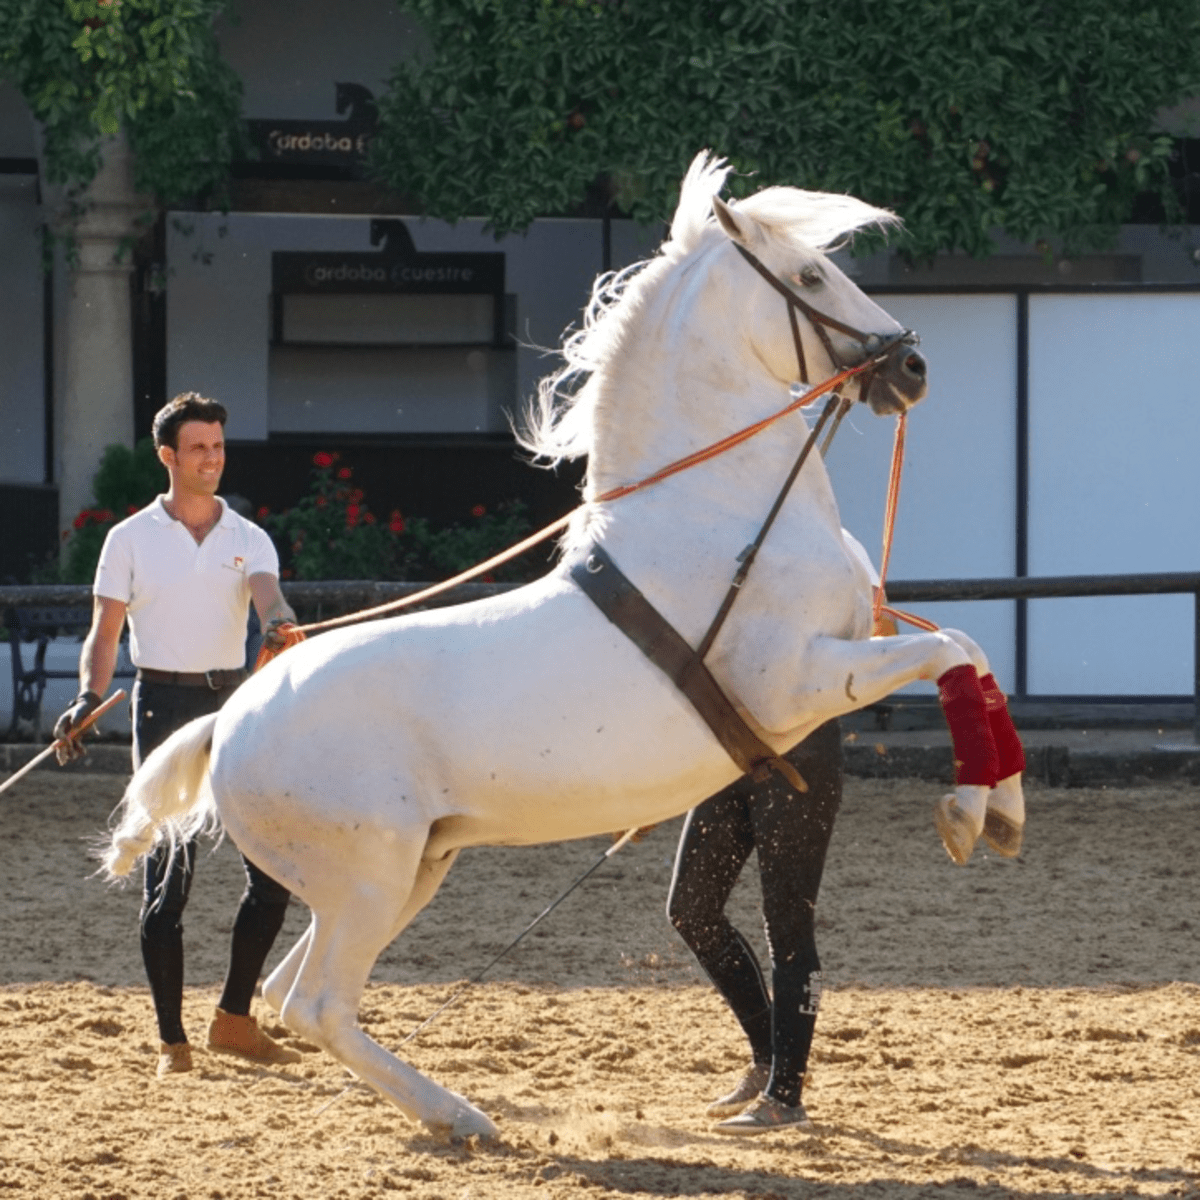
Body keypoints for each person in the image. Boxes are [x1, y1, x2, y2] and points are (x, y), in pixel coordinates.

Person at [54, 392, 302, 1080]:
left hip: (235, 709)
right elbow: (104, 634)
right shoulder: (128, 538)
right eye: (198, 448)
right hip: (160, 708)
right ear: (168, 456)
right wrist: (87, 696)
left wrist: (280, 622)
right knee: (169, 883)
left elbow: (268, 598)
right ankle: (173, 1044)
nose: (212, 459)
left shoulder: (248, 539)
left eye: (218, 447)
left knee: (273, 877)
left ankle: (232, 1019)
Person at [666, 529, 893, 1135]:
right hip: (726, 751)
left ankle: (785, 1095)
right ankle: (768, 1057)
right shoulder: (732, 539)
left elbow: (873, 643)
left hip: (800, 755)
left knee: (787, 923)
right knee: (691, 910)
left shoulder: (841, 550)